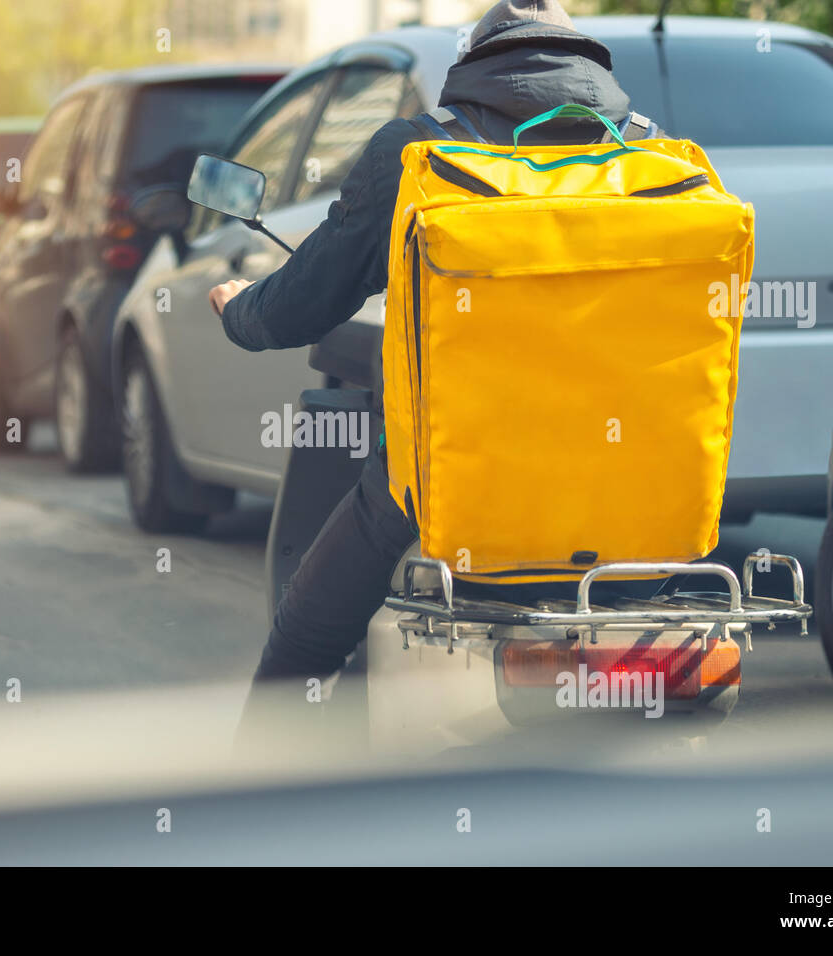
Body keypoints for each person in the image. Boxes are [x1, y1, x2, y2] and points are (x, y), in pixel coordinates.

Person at [209, 0, 663, 717]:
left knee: (303, 642)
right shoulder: (650, 157)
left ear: (476, 66)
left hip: (446, 477)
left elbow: (303, 302)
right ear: (586, 66)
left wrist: (238, 308)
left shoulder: (420, 154)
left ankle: (258, 812)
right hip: (629, 480)